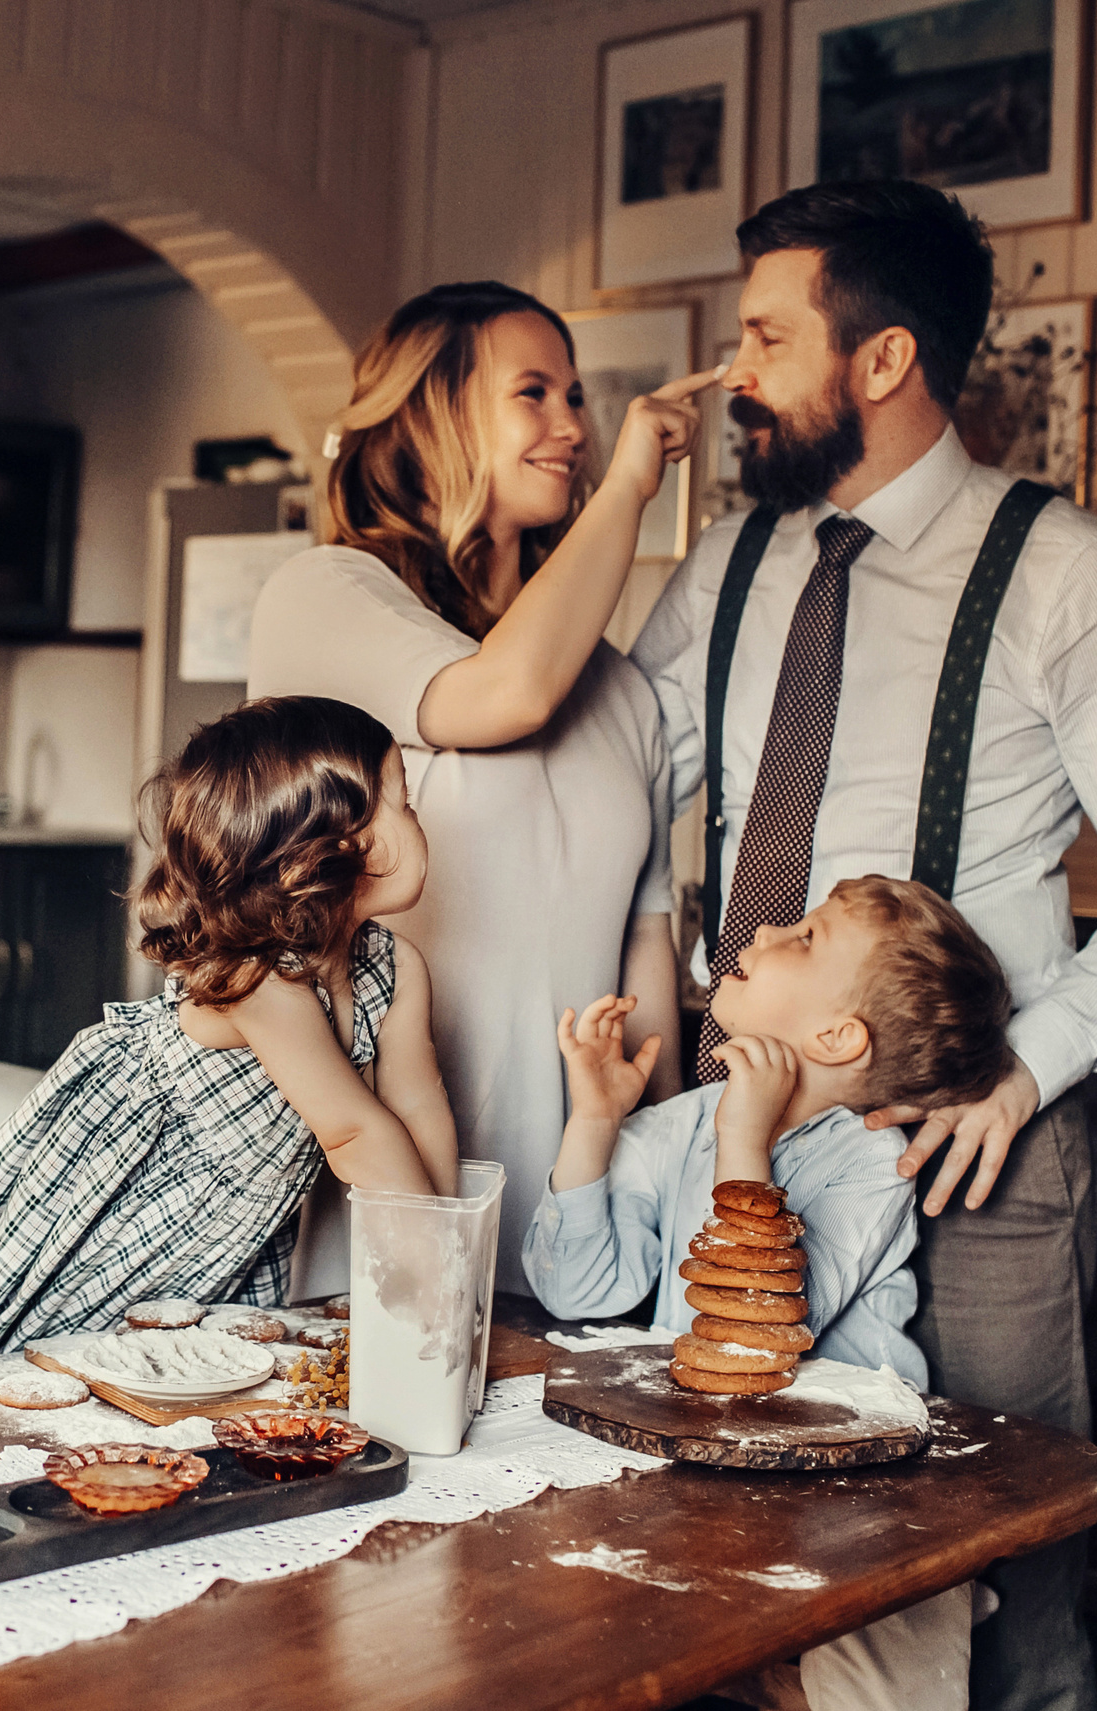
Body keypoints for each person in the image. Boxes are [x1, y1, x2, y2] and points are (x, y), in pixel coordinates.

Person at [628, 180, 1097, 1711]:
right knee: (731, 1559)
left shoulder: (1065, 575)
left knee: (999, 1587)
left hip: (962, 1157)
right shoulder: (727, 564)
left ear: (886, 358)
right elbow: (624, 774)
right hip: (736, 1140)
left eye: (769, 337)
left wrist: (1028, 1069)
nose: (735, 374)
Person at [247, 281, 711, 1296]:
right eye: (532, 393)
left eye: (577, 397)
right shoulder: (326, 597)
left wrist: (679, 1190)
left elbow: (645, 951)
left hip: (577, 1213)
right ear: (431, 415)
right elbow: (503, 694)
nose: (572, 425)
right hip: (383, 1204)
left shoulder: (622, 691)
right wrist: (632, 487)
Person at [527, 874, 1015, 1711]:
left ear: (834, 1036)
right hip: (706, 1468)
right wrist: (596, 1124)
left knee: (883, 1674)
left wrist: (746, 1137)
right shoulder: (689, 1119)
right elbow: (577, 1287)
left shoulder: (874, 1166)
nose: (768, 928)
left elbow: (756, 1341)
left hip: (861, 1492)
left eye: (808, 936)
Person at [0, 697, 456, 1361]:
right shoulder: (261, 979)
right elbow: (356, 1131)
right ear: (333, 845)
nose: (419, 817)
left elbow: (419, 1107)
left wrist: (450, 1244)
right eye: (403, 801)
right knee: (67, 1370)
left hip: (228, 1242)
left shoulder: (397, 970)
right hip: (127, 1221)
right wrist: (436, 1275)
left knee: (205, 1388)